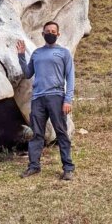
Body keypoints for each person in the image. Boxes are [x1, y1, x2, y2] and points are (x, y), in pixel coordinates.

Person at [16, 21, 75, 181]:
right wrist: (21, 56)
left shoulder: (64, 53)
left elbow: (70, 77)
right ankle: (34, 166)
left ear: (58, 34)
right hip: (38, 99)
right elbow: (28, 73)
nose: (50, 33)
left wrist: (68, 99)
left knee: (61, 133)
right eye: (47, 31)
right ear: (43, 34)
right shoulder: (36, 53)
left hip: (57, 97)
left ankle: (68, 168)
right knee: (37, 134)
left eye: (53, 31)